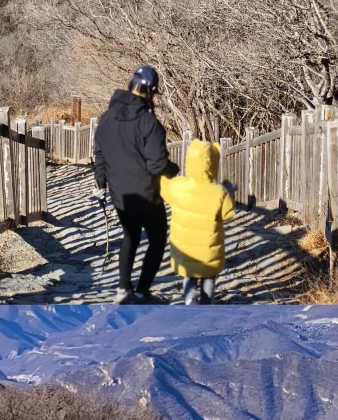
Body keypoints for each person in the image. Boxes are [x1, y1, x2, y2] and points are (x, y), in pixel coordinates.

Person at [92, 66, 178, 304]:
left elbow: (99, 155)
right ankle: (141, 292)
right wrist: (175, 170)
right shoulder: (148, 122)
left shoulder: (106, 118)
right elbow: (157, 165)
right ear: (151, 91)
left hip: (121, 195)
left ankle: (123, 289)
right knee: (157, 240)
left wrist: (100, 185)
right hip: (147, 196)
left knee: (130, 237)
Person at [158, 139, 236, 303]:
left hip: (185, 248)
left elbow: (163, 188)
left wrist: (163, 172)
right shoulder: (218, 192)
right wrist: (229, 191)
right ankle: (206, 302)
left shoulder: (178, 186)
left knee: (189, 273)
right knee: (208, 276)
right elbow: (228, 215)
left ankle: (189, 298)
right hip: (209, 250)